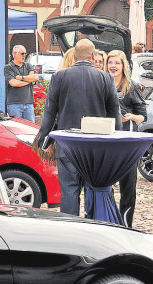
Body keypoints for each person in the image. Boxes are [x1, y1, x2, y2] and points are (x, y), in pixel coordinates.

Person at [38, 39, 122, 216]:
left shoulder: (59, 77)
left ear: (74, 56)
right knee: (93, 189)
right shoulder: (105, 78)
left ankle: (70, 231)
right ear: (93, 56)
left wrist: (43, 138)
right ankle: (92, 225)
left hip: (67, 145)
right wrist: (118, 140)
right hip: (96, 147)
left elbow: (49, 111)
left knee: (69, 191)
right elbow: (114, 112)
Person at [105, 50, 147, 227]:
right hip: (106, 143)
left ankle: (125, 224)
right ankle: (108, 220)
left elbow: (143, 116)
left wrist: (130, 116)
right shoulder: (103, 84)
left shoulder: (131, 86)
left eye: (117, 63)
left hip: (127, 143)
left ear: (124, 66)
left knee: (128, 187)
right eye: (110, 62)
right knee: (104, 184)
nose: (113, 66)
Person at [4, 45, 39, 122]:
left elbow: (35, 77)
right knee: (16, 129)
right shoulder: (8, 67)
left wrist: (21, 78)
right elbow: (13, 83)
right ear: (14, 54)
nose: (24, 55)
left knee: (31, 129)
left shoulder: (28, 65)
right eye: (22, 53)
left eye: (25, 53)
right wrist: (29, 80)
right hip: (14, 104)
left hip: (28, 103)